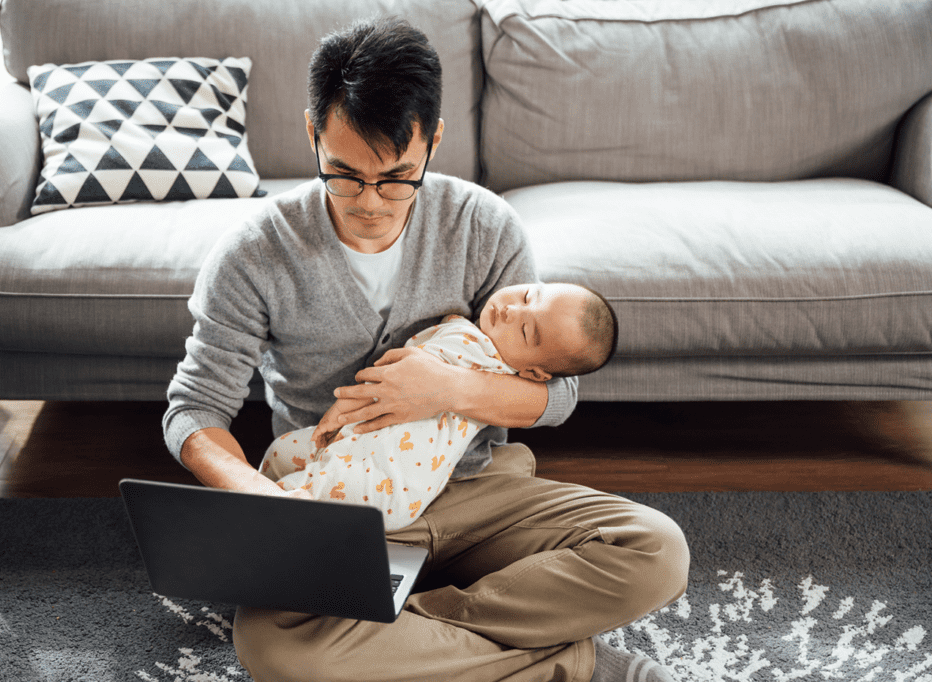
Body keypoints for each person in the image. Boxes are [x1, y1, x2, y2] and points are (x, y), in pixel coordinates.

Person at [163, 16, 689, 682]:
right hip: (342, 510)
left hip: (478, 493)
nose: (371, 204)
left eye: (398, 177)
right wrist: (262, 501)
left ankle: (406, 632)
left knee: (656, 551)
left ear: (433, 142)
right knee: (271, 646)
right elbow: (193, 411)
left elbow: (558, 394)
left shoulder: (485, 227)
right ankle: (569, 663)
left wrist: (449, 389)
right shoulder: (254, 254)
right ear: (312, 134)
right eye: (345, 175)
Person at [261, 282, 617, 531]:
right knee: (281, 452)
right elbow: (389, 378)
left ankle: (262, 530)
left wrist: (450, 387)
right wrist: (342, 411)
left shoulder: (494, 365)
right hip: (354, 440)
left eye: (526, 331)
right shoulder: (462, 330)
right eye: (526, 295)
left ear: (533, 372)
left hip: (386, 483)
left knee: (296, 497)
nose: (511, 310)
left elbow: (562, 396)